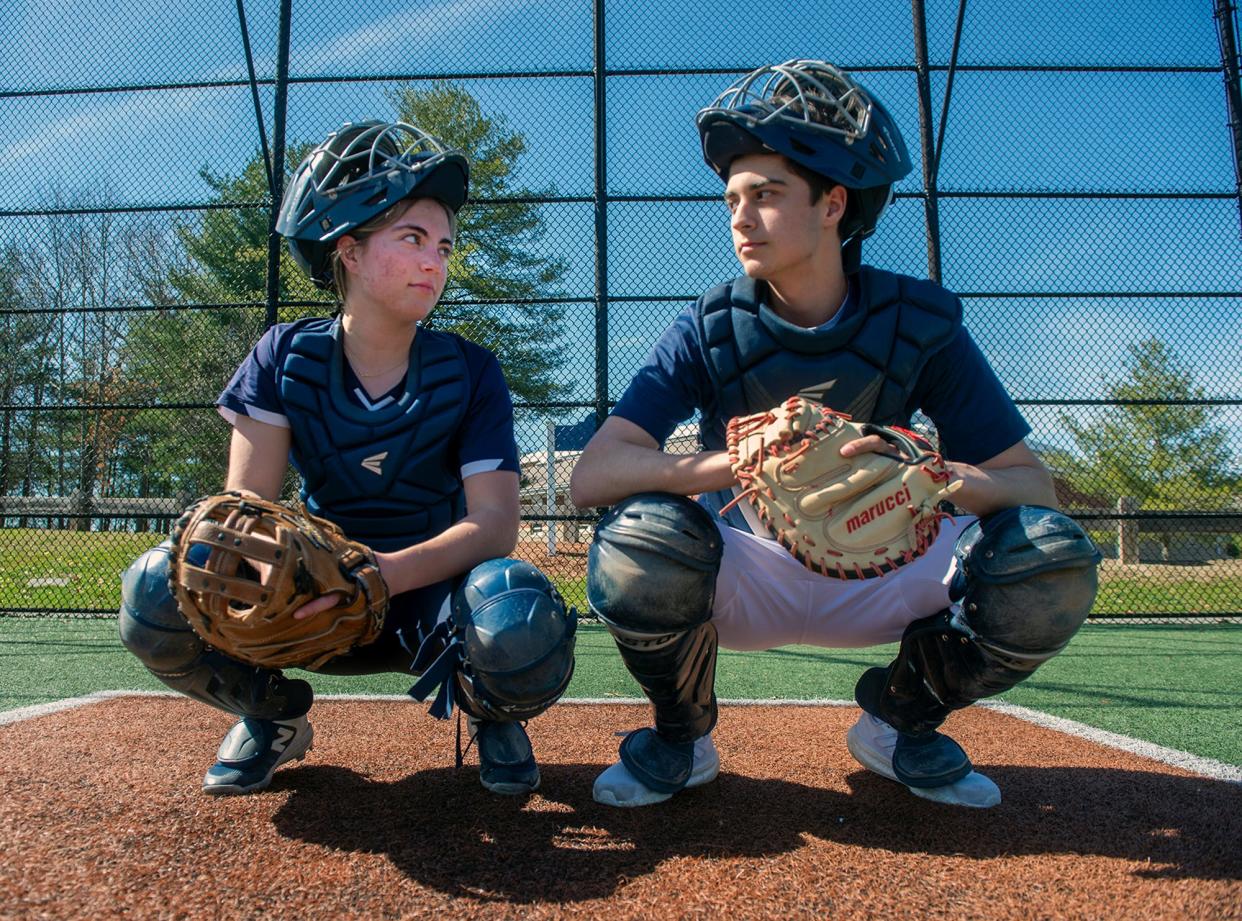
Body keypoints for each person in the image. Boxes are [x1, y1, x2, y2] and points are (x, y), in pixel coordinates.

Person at [570, 61, 1100, 809]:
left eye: (766, 194)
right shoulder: (709, 326)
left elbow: (1032, 486)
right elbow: (594, 474)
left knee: (1048, 557)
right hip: (749, 569)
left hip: (890, 564)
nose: (740, 218)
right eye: (731, 198)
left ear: (833, 203)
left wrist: (935, 472)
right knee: (639, 542)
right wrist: (730, 461)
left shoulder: (918, 325)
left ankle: (899, 722)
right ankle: (681, 733)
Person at [118, 121, 575, 797]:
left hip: (430, 604)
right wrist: (301, 575)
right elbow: (246, 513)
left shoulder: (471, 371)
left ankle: (488, 706)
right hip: (311, 600)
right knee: (160, 588)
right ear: (350, 250)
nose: (435, 263)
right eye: (412, 239)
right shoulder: (283, 357)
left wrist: (381, 574)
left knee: (516, 616)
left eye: (444, 246)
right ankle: (271, 714)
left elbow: (495, 525)